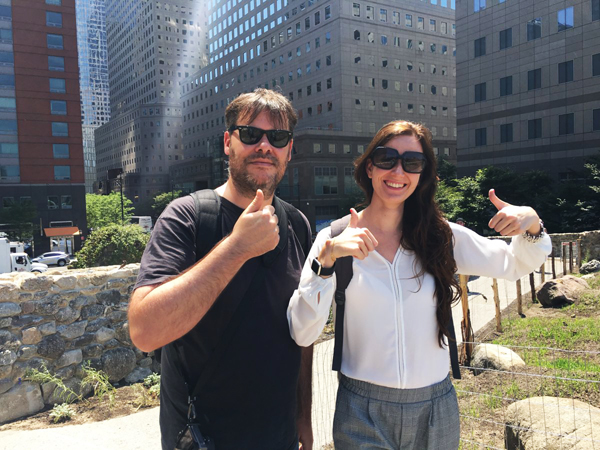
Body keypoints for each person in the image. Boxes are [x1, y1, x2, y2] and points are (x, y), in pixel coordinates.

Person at [287, 120, 551, 450]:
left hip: (435, 408)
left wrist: (532, 223)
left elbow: (514, 263)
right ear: (370, 167)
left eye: (412, 162)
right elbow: (302, 331)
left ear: (422, 174)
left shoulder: (441, 236)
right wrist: (325, 265)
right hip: (361, 410)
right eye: (387, 159)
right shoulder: (334, 239)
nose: (398, 171)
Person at [129, 88, 314, 450]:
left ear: (289, 151)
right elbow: (145, 331)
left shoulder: (299, 225)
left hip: (279, 438)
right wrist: (237, 248)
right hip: (203, 439)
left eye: (277, 137)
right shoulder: (186, 217)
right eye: (250, 134)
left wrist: (304, 416)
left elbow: (302, 334)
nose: (264, 146)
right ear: (228, 142)